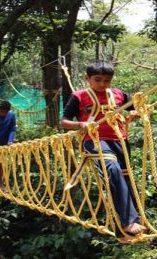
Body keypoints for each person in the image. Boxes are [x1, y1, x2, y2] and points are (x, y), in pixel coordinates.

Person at [60, 61, 146, 237]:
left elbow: (135, 110)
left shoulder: (119, 94)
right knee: (112, 170)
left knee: (125, 178)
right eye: (97, 80)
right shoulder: (79, 96)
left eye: (106, 80)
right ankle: (129, 221)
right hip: (94, 141)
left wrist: (136, 114)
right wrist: (80, 123)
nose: (102, 84)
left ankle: (127, 227)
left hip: (120, 140)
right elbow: (63, 122)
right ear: (87, 79)